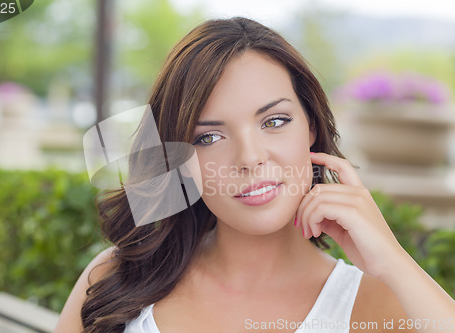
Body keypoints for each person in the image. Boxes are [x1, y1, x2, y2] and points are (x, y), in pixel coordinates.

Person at [55, 17, 454, 333]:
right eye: (208, 136)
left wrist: (393, 262)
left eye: (274, 121)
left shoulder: (375, 301)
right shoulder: (116, 279)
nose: (249, 158)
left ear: (311, 125)